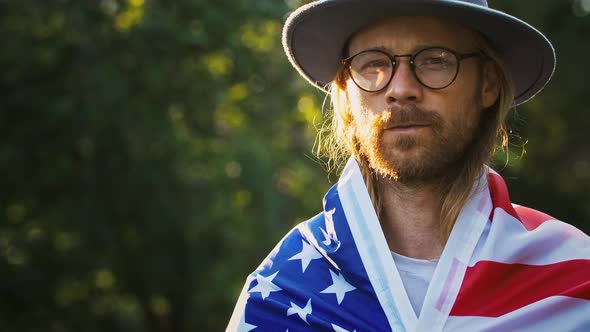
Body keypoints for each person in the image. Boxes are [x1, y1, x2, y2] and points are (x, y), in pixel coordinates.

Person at [228, 0, 590, 331]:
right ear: (345, 92)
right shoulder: (281, 292)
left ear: (488, 84)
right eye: (373, 64)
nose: (400, 88)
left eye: (435, 59)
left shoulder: (575, 277)